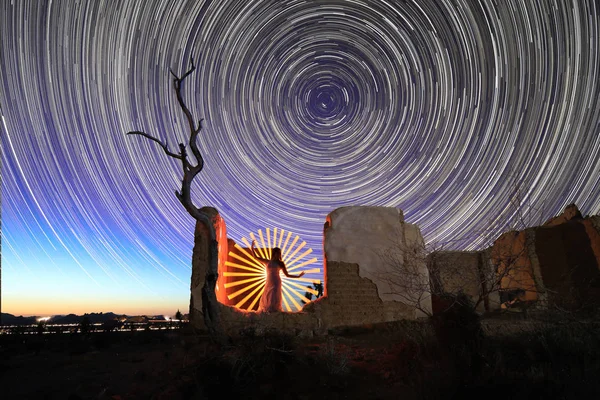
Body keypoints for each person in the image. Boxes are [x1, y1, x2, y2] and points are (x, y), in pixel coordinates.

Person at [251, 239, 305, 312]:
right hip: (269, 281)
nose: (278, 255)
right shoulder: (267, 262)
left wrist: (298, 276)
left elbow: (287, 275)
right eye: (277, 253)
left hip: (276, 281)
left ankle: (273, 311)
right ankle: (267, 311)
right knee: (267, 295)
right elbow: (255, 257)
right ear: (274, 253)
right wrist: (252, 248)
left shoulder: (281, 263)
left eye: (279, 253)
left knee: (273, 295)